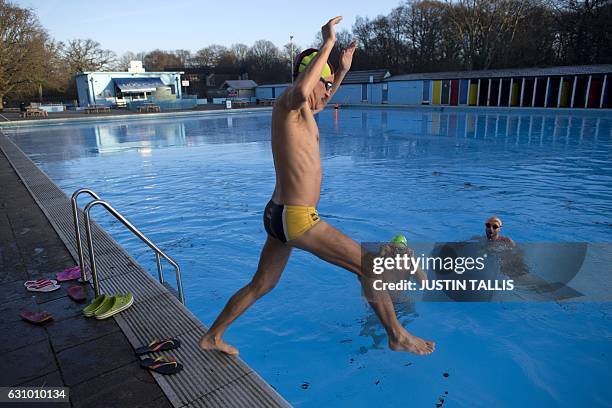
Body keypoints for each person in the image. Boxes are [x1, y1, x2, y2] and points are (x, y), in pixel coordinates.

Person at [199, 16, 435, 356]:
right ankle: (397, 335)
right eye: (323, 84)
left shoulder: (306, 112)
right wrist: (327, 44)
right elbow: (302, 90)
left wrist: (341, 69)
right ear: (309, 80)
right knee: (369, 267)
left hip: (280, 215)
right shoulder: (287, 104)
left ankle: (212, 337)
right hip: (296, 217)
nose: (326, 93)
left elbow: (318, 97)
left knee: (262, 283)